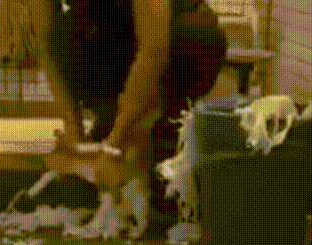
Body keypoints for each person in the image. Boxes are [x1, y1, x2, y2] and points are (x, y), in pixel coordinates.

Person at [38, 0, 227, 189]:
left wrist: (115, 138)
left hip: (173, 31)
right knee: (67, 38)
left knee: (195, 36)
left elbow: (154, 50)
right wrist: (74, 134)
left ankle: (164, 126)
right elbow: (46, 47)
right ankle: (111, 124)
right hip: (112, 35)